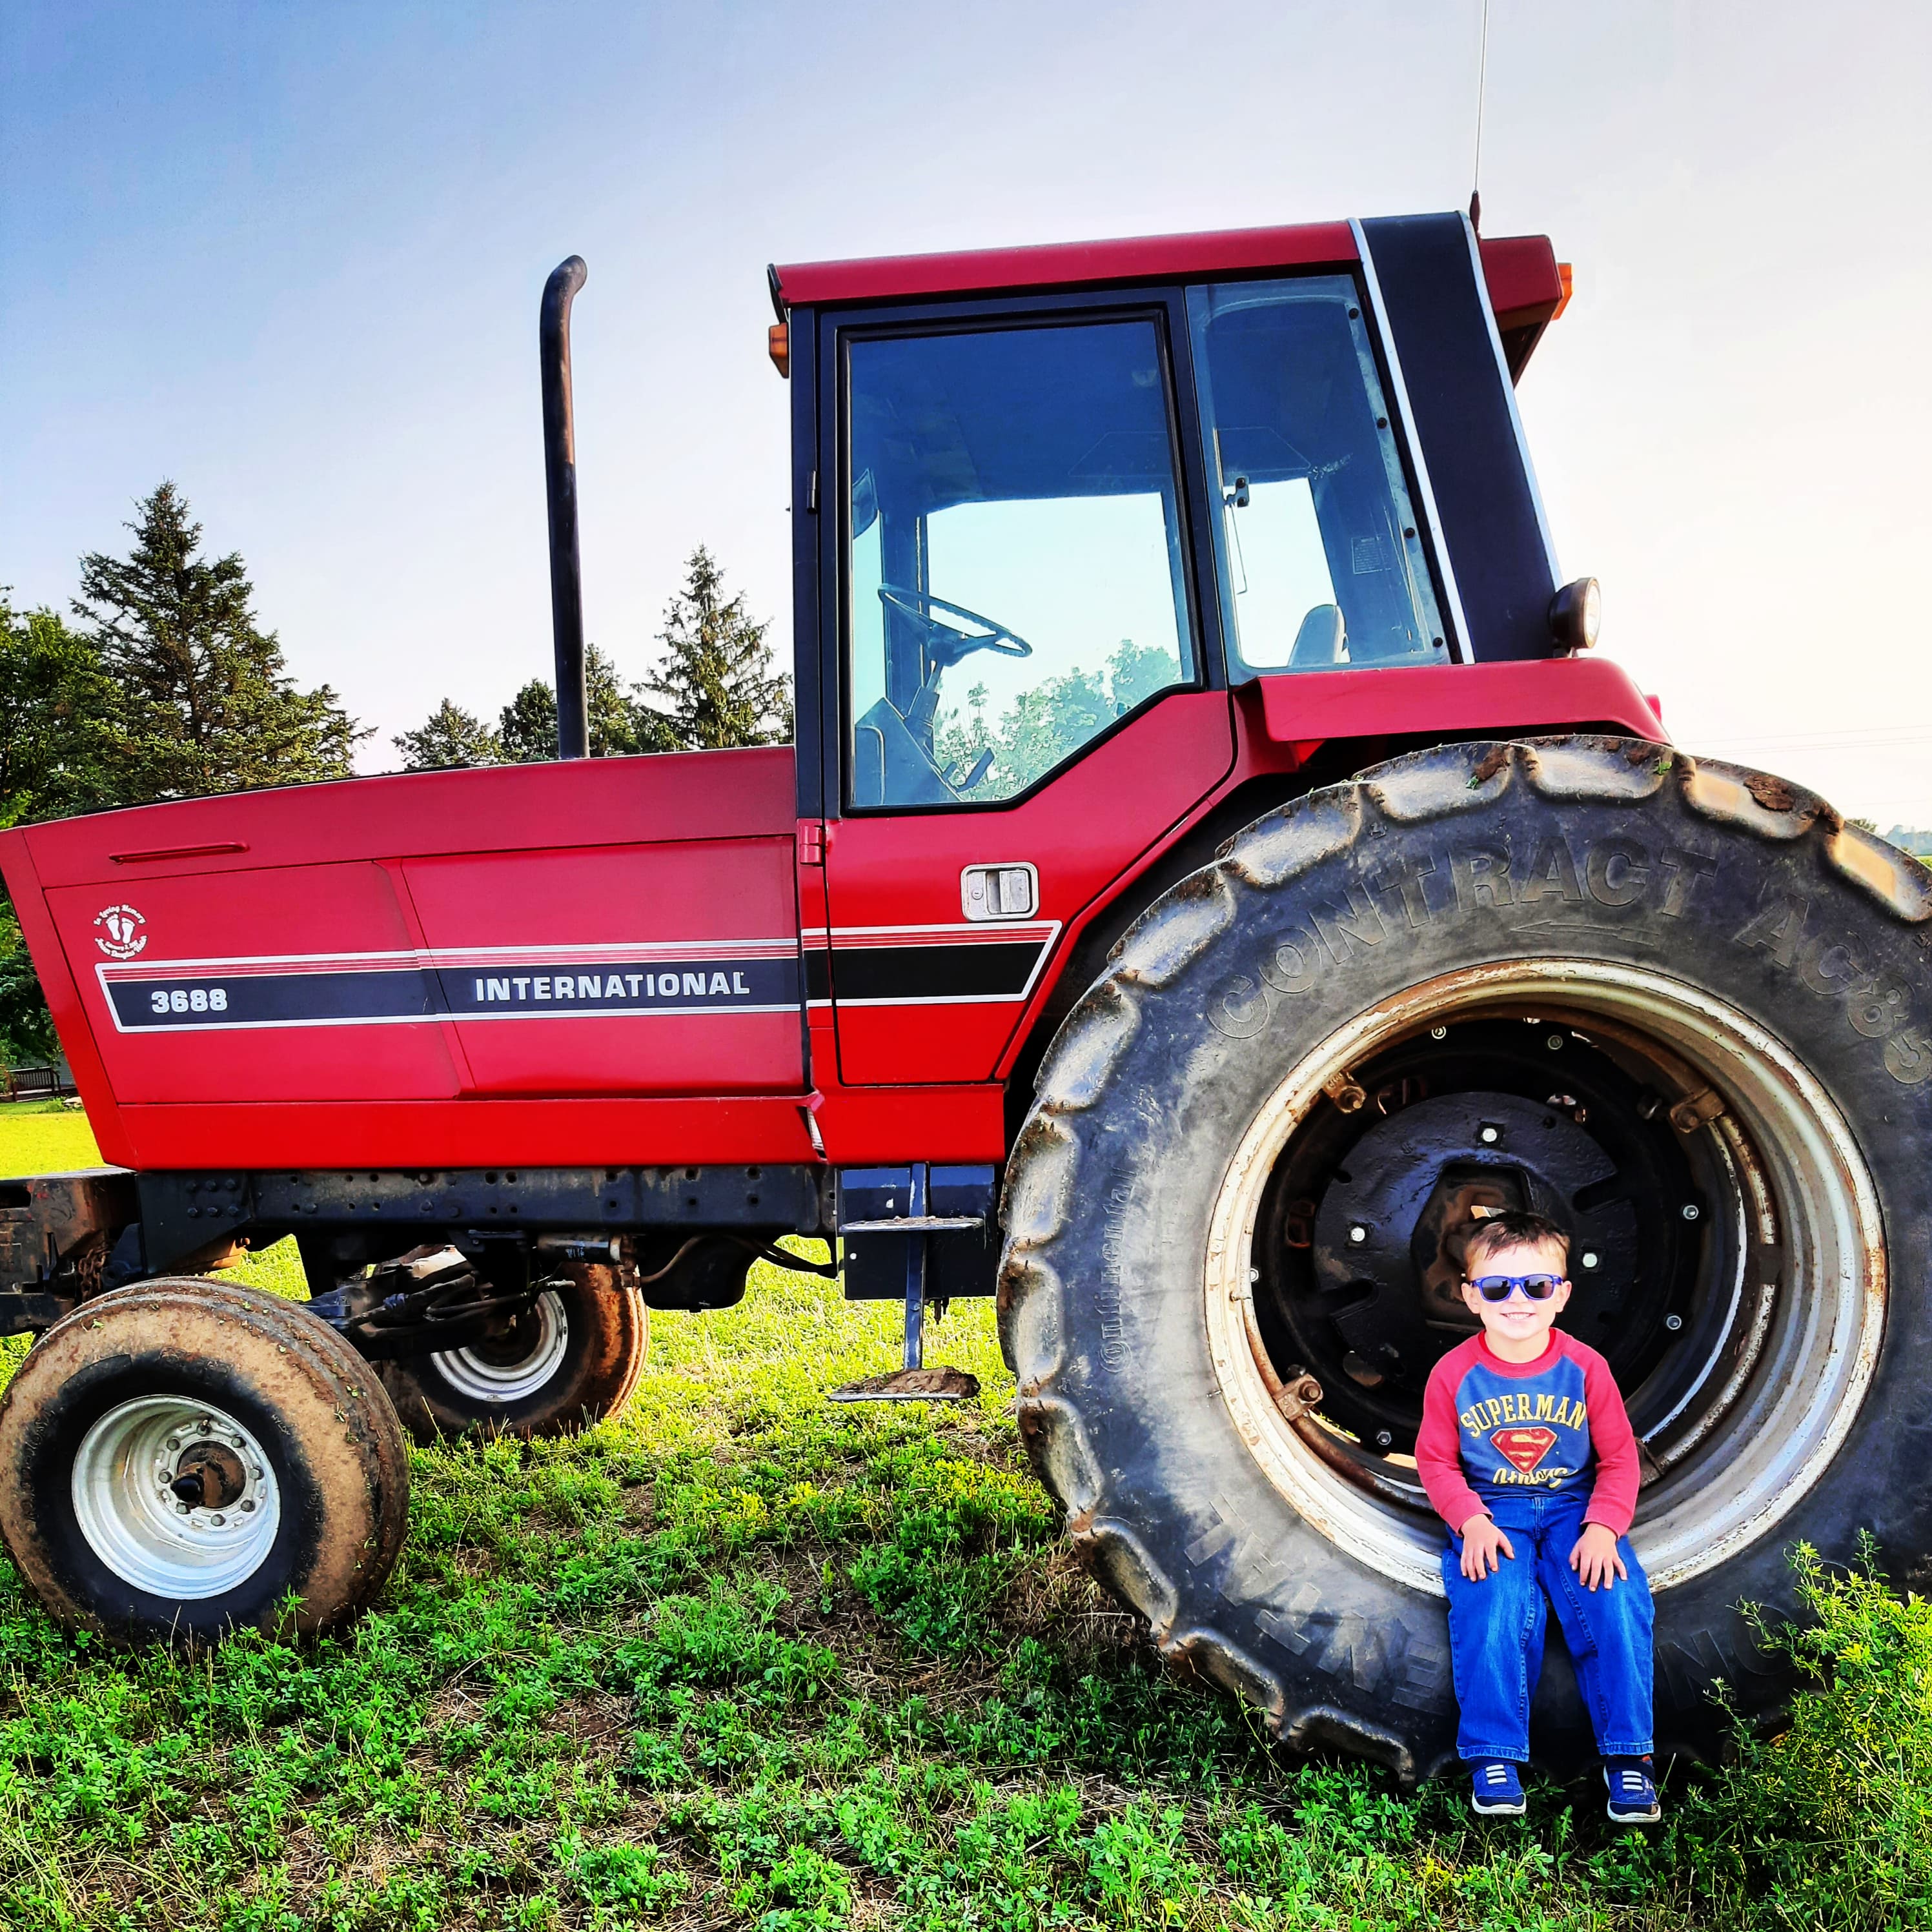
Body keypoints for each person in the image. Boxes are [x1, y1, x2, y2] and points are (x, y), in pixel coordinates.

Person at [1414, 1208, 1661, 1824]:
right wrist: (1469, 1521)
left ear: (1562, 1295)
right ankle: (1493, 1754)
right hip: (1493, 1507)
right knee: (1490, 1596)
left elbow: (1619, 1458)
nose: (1516, 1300)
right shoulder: (1453, 1374)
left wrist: (1604, 1526)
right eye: (1497, 1287)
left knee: (1616, 1595)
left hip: (1574, 1508)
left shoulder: (1585, 1368)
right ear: (1470, 1296)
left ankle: (1629, 1756)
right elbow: (1436, 1462)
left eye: (1536, 1285)